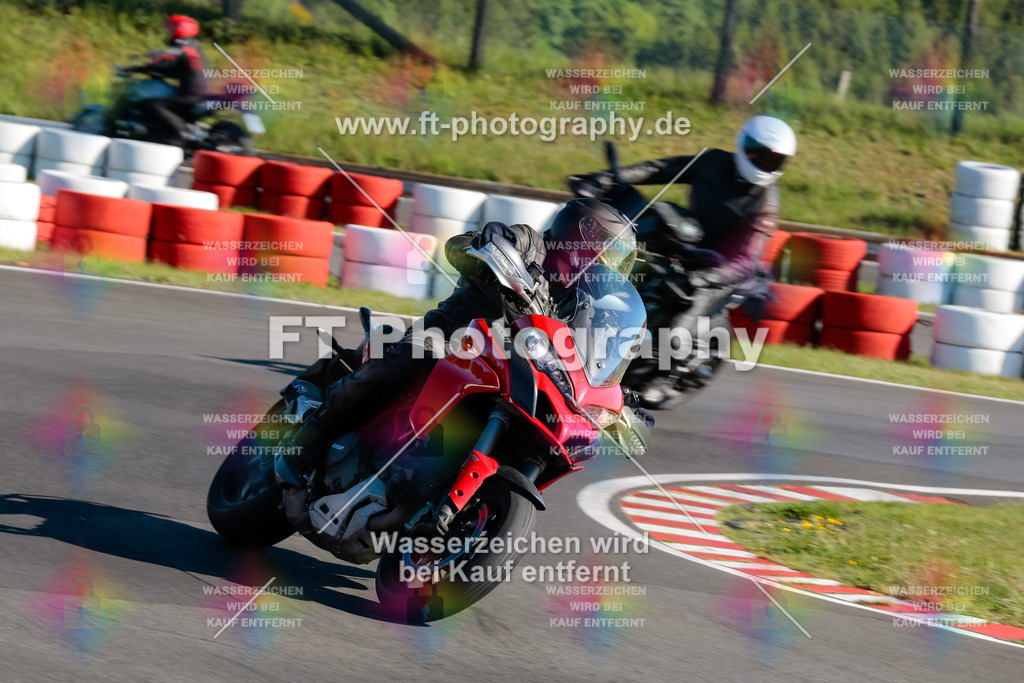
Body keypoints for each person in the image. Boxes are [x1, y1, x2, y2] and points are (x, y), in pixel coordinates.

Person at [275, 199, 640, 527]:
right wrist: (489, 243)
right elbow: (458, 246)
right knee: (410, 358)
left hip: (514, 367)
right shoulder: (531, 243)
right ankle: (311, 437)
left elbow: (590, 355)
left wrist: (613, 396)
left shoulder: (582, 303)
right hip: (457, 335)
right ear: (583, 235)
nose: (614, 265)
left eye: (620, 258)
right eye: (612, 252)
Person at [569, 115, 797, 339]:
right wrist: (604, 179)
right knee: (651, 223)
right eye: (760, 157)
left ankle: (663, 358)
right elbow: (661, 168)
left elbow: (745, 260)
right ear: (746, 147)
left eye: (773, 162)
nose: (764, 165)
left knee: (676, 338)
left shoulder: (765, 205)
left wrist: (705, 278)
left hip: (720, 271)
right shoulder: (714, 162)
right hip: (690, 239)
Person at [127, 15, 208, 142]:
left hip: (190, 95)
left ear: (180, 29)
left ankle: (182, 134)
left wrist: (136, 68)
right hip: (197, 91)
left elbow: (164, 62)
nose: (169, 33)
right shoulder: (194, 46)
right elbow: (176, 68)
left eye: (172, 29)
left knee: (154, 104)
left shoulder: (183, 46)